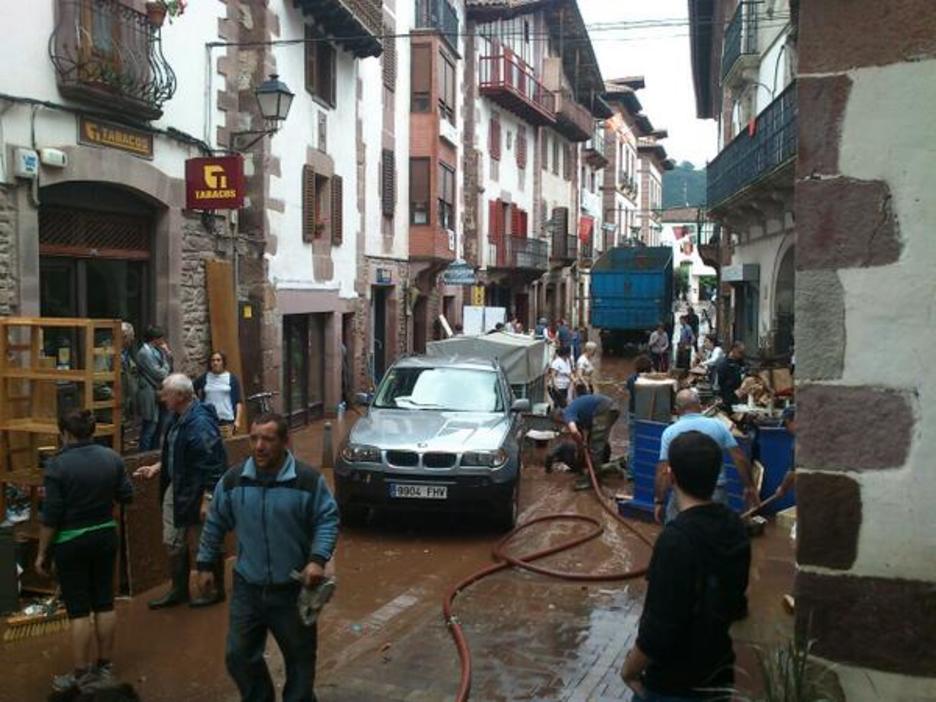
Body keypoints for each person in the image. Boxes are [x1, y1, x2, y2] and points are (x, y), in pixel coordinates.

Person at [196, 413, 339, 702]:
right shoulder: (234, 480)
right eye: (254, 438)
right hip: (248, 589)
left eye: (268, 439)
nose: (259, 446)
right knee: (238, 655)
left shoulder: (307, 481)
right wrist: (205, 564)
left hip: (292, 591)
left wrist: (317, 559)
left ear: (285, 442)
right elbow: (215, 522)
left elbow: (327, 520)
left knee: (299, 660)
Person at [620, 431, 751, 700]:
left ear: (671, 476)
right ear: (717, 475)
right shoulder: (735, 526)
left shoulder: (675, 540)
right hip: (719, 672)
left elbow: (659, 626)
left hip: (674, 683)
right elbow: (736, 605)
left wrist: (629, 671)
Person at [36, 409, 134, 692]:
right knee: (104, 603)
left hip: (71, 542)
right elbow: (127, 496)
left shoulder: (57, 466)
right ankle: (104, 669)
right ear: (92, 431)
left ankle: (81, 674)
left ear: (65, 433)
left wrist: (42, 554)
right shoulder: (112, 458)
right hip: (105, 536)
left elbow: (51, 516)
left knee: (79, 610)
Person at [133, 374, 228, 609]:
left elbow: (213, 464)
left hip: (196, 489)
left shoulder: (200, 423)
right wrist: (157, 467)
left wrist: (208, 498)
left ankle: (215, 589)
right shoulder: (177, 417)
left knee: (205, 540)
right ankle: (179, 590)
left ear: (180, 396)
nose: (161, 397)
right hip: (177, 486)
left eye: (165, 393)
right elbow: (177, 451)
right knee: (172, 540)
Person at [654, 388, 760, 524]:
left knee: (677, 530)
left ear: (677, 409)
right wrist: (750, 486)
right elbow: (739, 458)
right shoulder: (718, 426)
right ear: (700, 406)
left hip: (683, 495)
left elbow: (663, 471)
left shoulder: (670, 432)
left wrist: (659, 500)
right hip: (715, 491)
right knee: (718, 532)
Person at [552, 393, 621, 490]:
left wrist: (581, 442)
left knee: (595, 446)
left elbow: (574, 431)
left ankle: (593, 480)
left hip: (604, 408)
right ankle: (597, 470)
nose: (563, 426)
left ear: (560, 417)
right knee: (595, 442)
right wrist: (581, 446)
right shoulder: (576, 414)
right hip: (609, 408)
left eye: (560, 423)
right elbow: (580, 436)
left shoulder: (568, 413)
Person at [135, 326, 173, 452]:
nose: (163, 341)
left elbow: (167, 371)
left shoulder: (157, 350)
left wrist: (167, 355)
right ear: (155, 339)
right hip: (149, 392)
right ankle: (144, 454)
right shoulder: (144, 353)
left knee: (159, 426)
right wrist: (166, 363)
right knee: (149, 426)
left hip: (158, 391)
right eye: (161, 338)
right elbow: (159, 374)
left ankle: (154, 452)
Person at [193, 351, 245, 438]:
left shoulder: (231, 379)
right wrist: (199, 404)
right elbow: (192, 389)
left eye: (218, 360)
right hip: (208, 419)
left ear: (223, 362)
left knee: (227, 444)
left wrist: (238, 420)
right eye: (213, 360)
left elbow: (238, 402)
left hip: (226, 419)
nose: (215, 363)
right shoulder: (204, 378)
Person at [626, 355, 654, 472]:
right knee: (648, 441)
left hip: (633, 412)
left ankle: (631, 471)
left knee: (633, 443)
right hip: (647, 414)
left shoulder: (631, 379)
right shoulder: (651, 381)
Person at [119, 322, 139, 442]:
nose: (132, 340)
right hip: (113, 409)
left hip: (124, 407)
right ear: (124, 337)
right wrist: (116, 396)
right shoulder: (109, 353)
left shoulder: (125, 354)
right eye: (131, 336)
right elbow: (98, 383)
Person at [715, 342, 747, 408]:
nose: (741, 355)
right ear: (733, 350)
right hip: (727, 396)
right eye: (740, 353)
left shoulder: (740, 362)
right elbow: (718, 383)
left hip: (737, 395)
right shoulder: (723, 364)